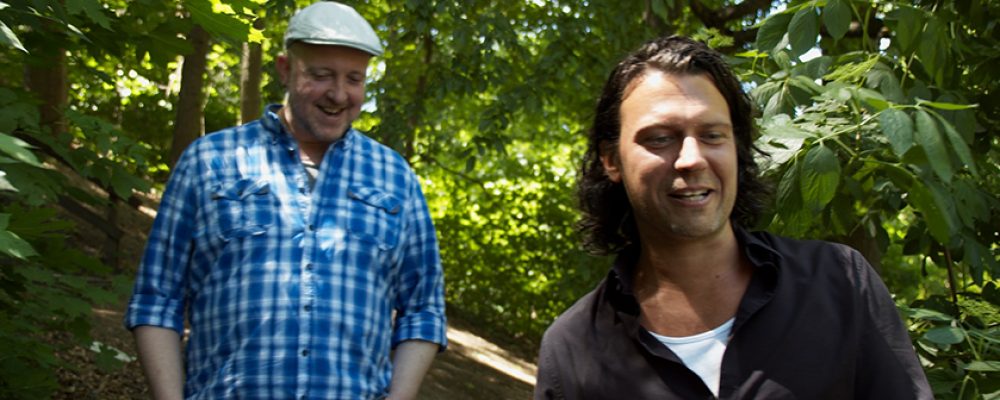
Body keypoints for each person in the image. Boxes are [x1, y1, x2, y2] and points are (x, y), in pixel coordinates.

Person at [534, 36, 932, 399]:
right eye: (660, 138)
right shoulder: (572, 351)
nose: (692, 159)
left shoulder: (840, 283)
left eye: (712, 135)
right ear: (611, 160)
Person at [124, 2, 446, 399]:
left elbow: (423, 309)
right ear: (284, 69)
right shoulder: (209, 160)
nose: (338, 94)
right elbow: (157, 298)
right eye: (321, 75)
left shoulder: (395, 176)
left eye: (354, 79)